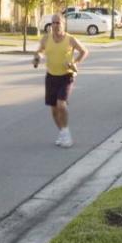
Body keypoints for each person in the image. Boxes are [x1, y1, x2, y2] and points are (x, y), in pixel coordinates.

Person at [34, 13, 89, 148]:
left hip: (66, 76)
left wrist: (75, 62)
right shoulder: (46, 39)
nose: (55, 25)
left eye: (58, 23)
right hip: (51, 76)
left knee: (61, 104)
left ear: (63, 24)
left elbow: (84, 51)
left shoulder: (70, 39)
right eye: (53, 23)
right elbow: (39, 51)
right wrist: (37, 58)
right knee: (53, 110)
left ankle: (66, 135)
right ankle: (63, 133)